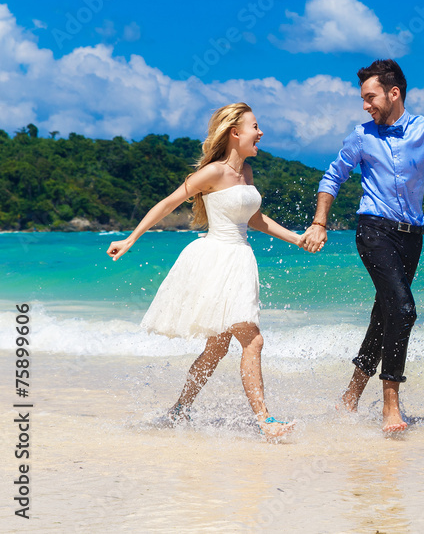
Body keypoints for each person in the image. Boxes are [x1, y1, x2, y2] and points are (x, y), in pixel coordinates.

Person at [302, 59, 424, 433]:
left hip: (411, 237)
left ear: (393, 93)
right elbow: (332, 177)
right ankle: (390, 406)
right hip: (373, 231)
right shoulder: (361, 137)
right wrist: (319, 222)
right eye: (363, 99)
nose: (366, 106)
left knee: (385, 317)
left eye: (371, 97)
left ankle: (350, 397)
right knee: (404, 309)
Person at [107, 103, 298, 440]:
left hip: (240, 261)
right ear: (235, 133)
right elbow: (169, 203)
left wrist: (296, 238)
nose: (261, 132)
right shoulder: (214, 172)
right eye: (256, 126)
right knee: (253, 340)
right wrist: (131, 239)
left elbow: (253, 220)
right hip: (215, 259)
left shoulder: (247, 174)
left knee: (217, 348)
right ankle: (265, 421)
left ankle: (179, 410)